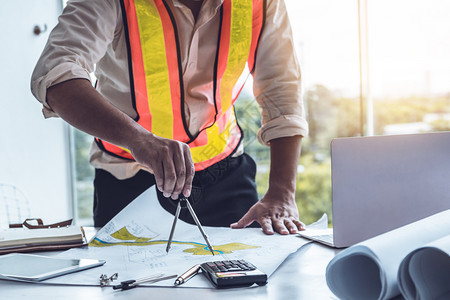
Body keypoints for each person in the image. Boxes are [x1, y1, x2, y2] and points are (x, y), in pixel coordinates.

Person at [31, 0, 309, 235]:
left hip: (226, 176)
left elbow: (281, 87)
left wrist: (282, 192)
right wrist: (139, 139)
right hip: (130, 180)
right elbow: (56, 74)